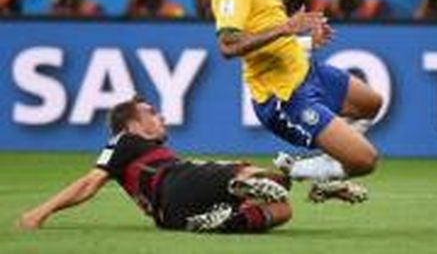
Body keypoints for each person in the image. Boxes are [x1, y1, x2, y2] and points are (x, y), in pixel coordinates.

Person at [176, 0, 382, 195]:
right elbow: (227, 46)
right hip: (284, 97)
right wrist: (287, 27)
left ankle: (324, 163)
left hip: (307, 72)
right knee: (364, 160)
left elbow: (268, 36)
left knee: (371, 103)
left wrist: (305, 41)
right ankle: (301, 170)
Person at [17, 96, 293, 233]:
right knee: (249, 173)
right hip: (176, 182)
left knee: (282, 209)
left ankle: (224, 221)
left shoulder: (146, 152)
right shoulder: (123, 140)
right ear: (133, 124)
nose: (160, 116)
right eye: (151, 112)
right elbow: (90, 183)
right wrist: (40, 212)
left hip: (171, 217)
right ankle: (249, 179)